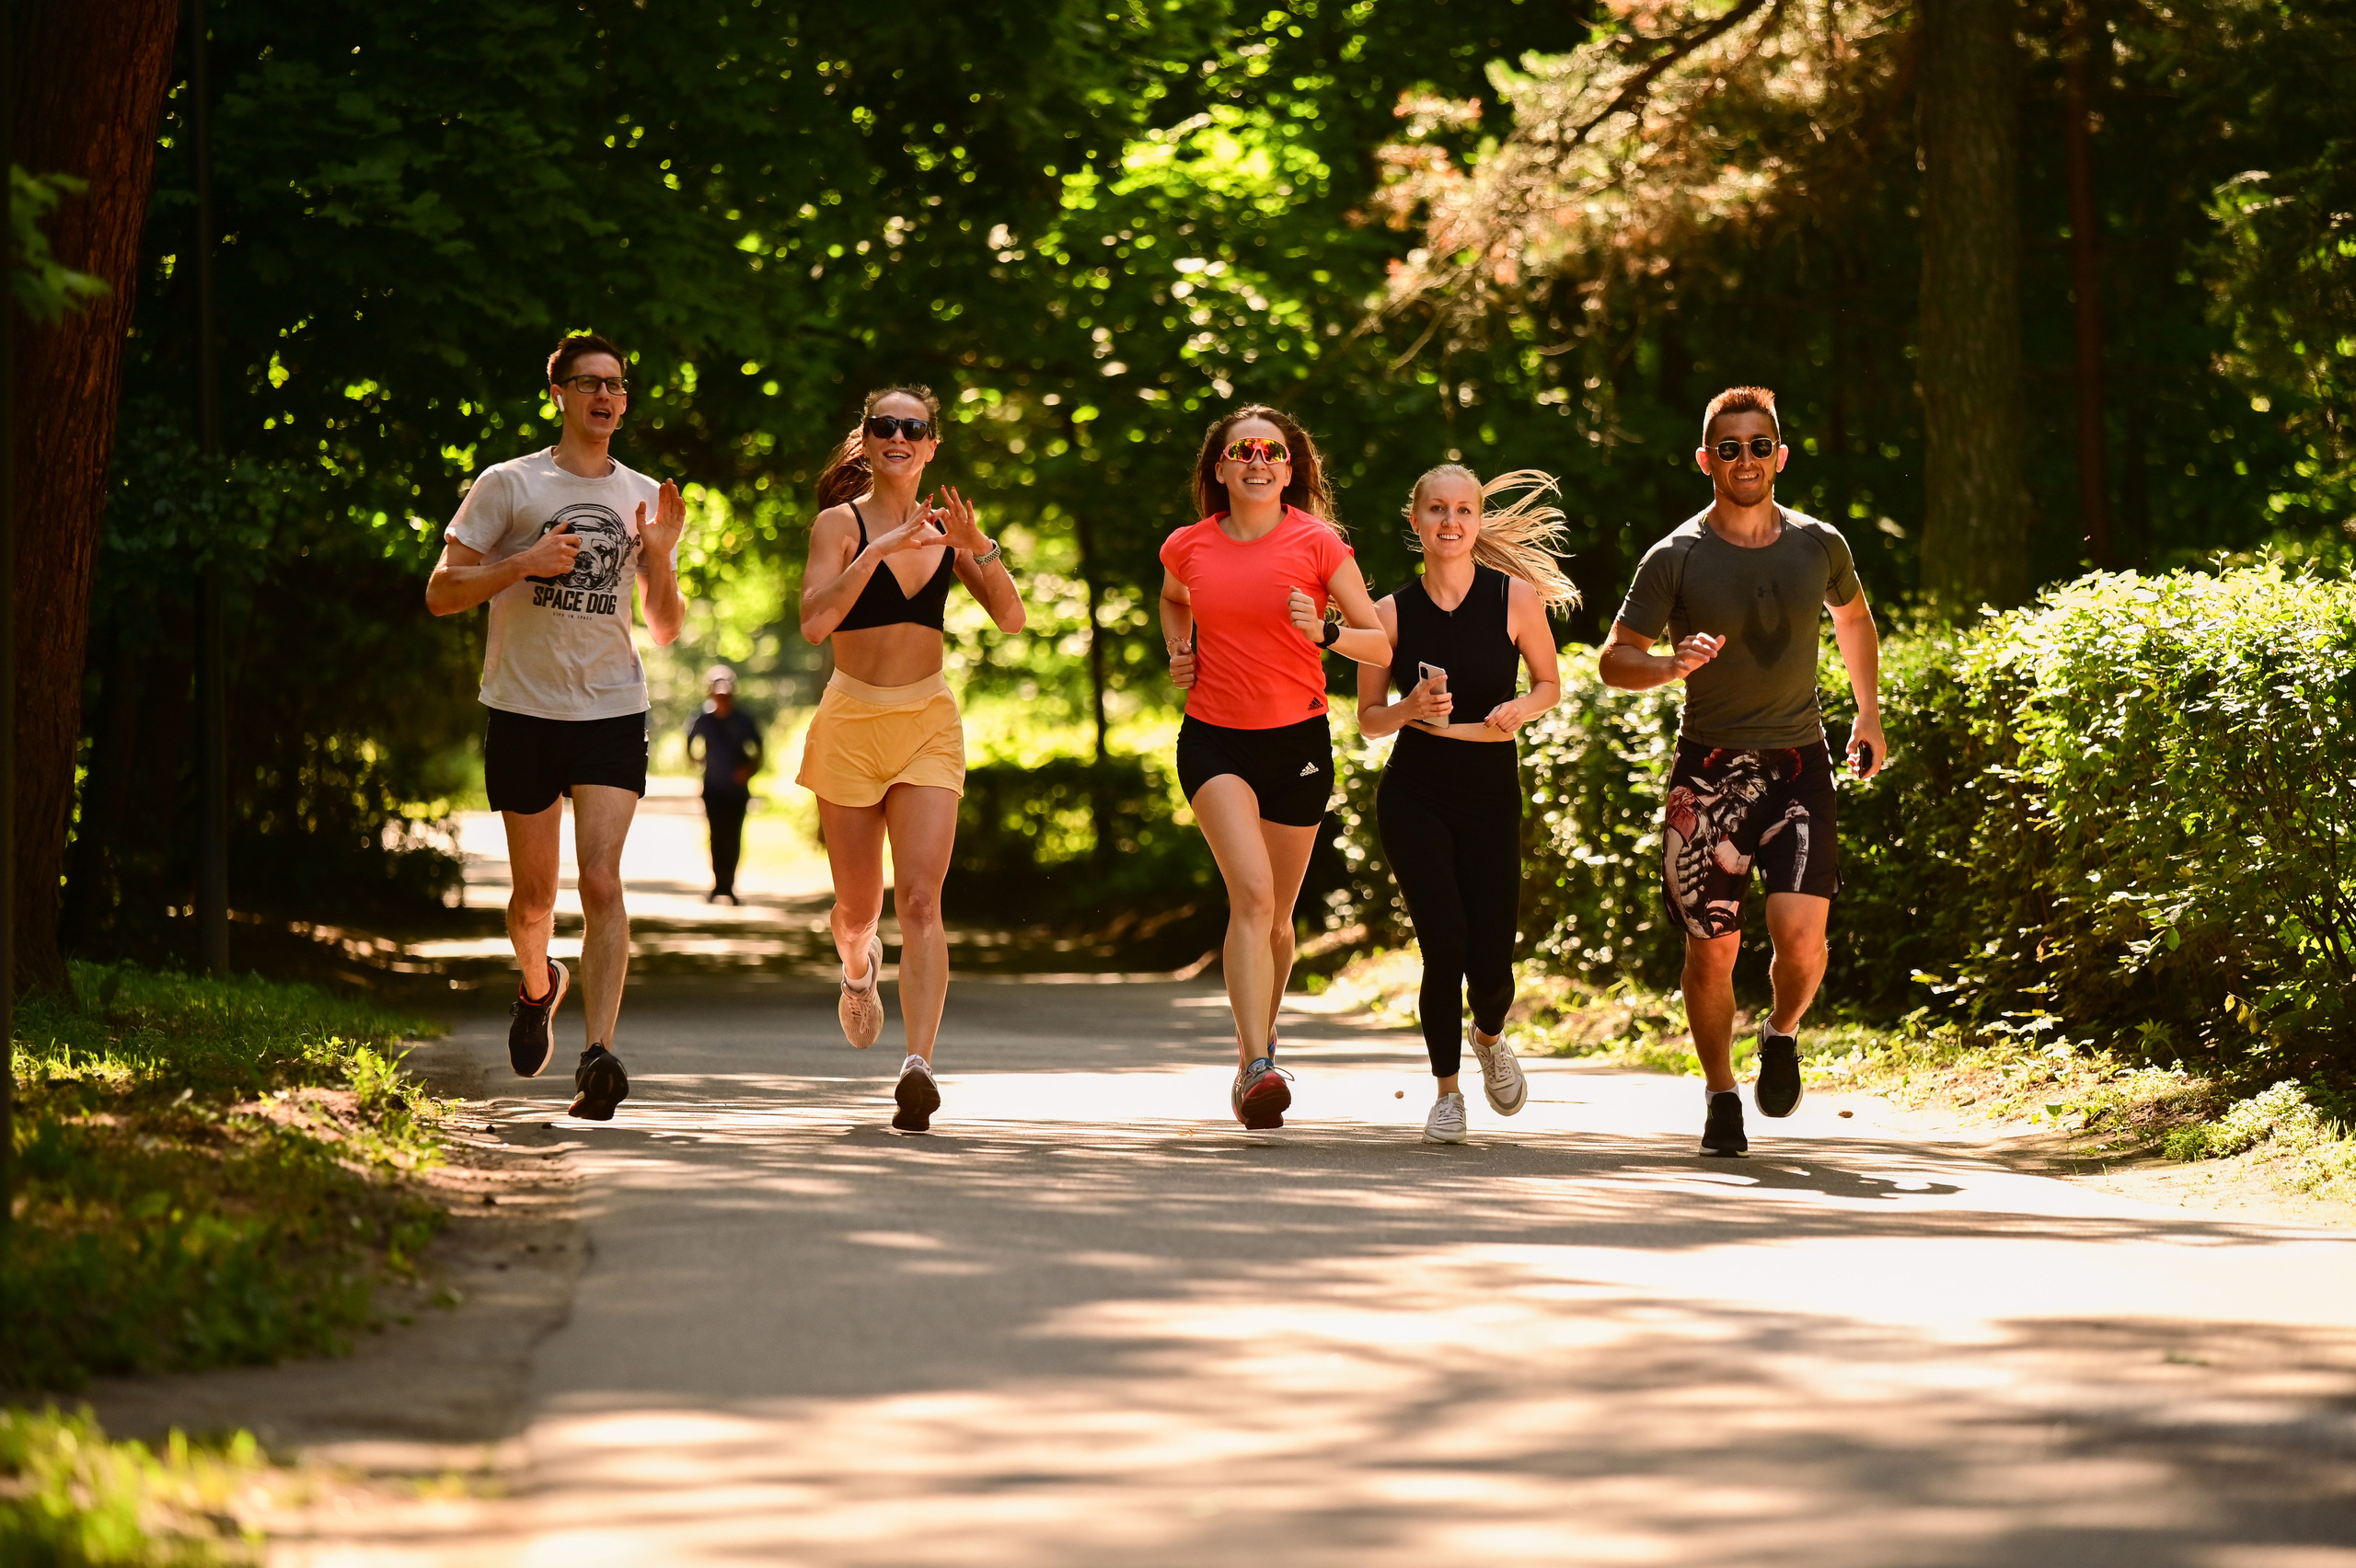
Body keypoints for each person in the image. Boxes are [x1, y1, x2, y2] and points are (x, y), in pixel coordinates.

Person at [1598, 386, 1887, 1157]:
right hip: (1710, 773)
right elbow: (1613, 660)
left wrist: (1868, 713)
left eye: (1759, 446)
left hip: (1800, 766)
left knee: (1800, 941)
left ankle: (1783, 1033)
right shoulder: (1676, 556)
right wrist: (1666, 664)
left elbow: (1853, 619)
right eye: (1729, 448)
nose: (1746, 459)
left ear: (1781, 456)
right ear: (1706, 461)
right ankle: (1721, 1093)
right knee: (1711, 947)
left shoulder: (1819, 544)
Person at [426, 331, 687, 1122]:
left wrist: (664, 556)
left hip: (611, 706)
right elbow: (441, 592)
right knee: (534, 899)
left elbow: (667, 627)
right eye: (590, 384)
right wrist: (520, 564)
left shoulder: (642, 494)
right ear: (560, 395)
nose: (607, 397)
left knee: (602, 881)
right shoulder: (508, 485)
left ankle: (598, 1054)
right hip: (522, 708)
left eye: (617, 385)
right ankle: (538, 988)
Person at [796, 386, 1025, 1132]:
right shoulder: (840, 524)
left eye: (913, 428)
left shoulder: (947, 527)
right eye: (883, 426)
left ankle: (918, 1065)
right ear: (864, 440)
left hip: (927, 719)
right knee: (859, 909)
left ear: (932, 446)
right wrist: (878, 552)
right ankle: (859, 968)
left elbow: (1013, 617)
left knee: (922, 900)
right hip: (852, 719)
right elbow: (813, 621)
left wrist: (975, 547)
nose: (898, 436)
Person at [1160, 406, 1383, 1129]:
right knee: (1252, 897)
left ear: (1291, 468)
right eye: (1243, 451)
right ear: (1219, 467)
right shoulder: (1188, 546)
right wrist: (1179, 647)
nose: (1258, 461)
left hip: (1297, 743)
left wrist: (1324, 631)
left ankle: (1260, 1040)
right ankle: (1257, 1065)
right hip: (1214, 740)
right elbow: (1172, 599)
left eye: (1274, 452)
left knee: (1279, 920)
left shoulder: (1318, 544)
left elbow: (1379, 646)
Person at [1348, 467, 1573, 1144]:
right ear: (1414, 520)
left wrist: (1519, 708)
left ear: (1477, 521)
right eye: (1437, 509)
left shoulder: (1516, 599)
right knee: (1443, 947)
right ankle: (1447, 1095)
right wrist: (1409, 708)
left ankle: (1489, 1034)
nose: (1451, 521)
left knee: (1493, 965)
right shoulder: (1385, 614)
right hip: (1414, 794)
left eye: (1464, 510)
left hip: (1489, 791)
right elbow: (1366, 719)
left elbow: (1550, 684)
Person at [687, 665, 763, 904]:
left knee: (734, 837)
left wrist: (747, 770)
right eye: (718, 694)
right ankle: (718, 885)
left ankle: (729, 885)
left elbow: (759, 752)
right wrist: (696, 760)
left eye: (726, 694)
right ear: (710, 694)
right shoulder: (703, 719)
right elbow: (689, 743)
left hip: (737, 791)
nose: (722, 699)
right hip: (713, 788)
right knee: (716, 836)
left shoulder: (743, 720)